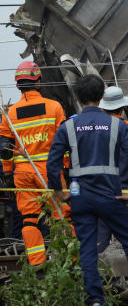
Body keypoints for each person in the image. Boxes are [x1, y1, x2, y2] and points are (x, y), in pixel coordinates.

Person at [47, 74, 128, 306]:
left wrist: (59, 192)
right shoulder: (117, 125)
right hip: (111, 195)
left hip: (81, 198)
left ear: (77, 97)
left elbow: (52, 162)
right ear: (101, 97)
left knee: (88, 247)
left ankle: (95, 300)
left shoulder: (68, 127)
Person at [0, 61, 67, 266]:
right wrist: (65, 166)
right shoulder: (54, 107)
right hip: (50, 171)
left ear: (18, 85)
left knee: (29, 217)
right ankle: (66, 259)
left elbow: (4, 148)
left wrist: (8, 172)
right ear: (38, 82)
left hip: (23, 173)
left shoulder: (10, 114)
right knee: (61, 213)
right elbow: (64, 142)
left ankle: (37, 262)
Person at [97, 86, 128, 253]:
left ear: (103, 108)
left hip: (102, 191)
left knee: (101, 238)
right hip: (127, 191)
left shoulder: (96, 129)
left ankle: (99, 274)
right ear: (123, 107)